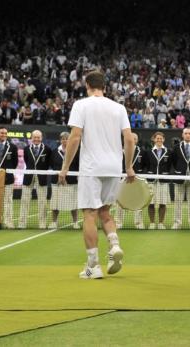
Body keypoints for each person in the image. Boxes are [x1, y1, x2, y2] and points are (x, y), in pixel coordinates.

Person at [59, 70, 135, 280]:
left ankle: (93, 266)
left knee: (90, 214)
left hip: (91, 168)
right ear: (104, 86)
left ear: (87, 86)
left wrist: (65, 168)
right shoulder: (118, 108)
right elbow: (129, 140)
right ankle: (114, 246)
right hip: (113, 167)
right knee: (105, 213)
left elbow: (74, 138)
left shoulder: (80, 105)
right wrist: (128, 167)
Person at [18, 130, 51, 229]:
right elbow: (27, 161)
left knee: (42, 202)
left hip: (42, 178)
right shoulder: (26, 149)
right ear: (31, 138)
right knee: (24, 200)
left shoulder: (47, 149)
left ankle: (42, 224)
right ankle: (22, 223)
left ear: (41, 138)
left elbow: (48, 163)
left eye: (38, 137)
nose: (36, 139)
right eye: (34, 137)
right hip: (28, 177)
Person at [115, 133, 146, 229]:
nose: (133, 140)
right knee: (119, 202)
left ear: (136, 140)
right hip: (122, 180)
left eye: (135, 138)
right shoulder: (118, 151)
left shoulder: (142, 152)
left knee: (138, 201)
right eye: (131, 138)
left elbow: (145, 165)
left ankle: (139, 223)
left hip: (136, 180)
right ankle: (118, 223)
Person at [49, 132, 80, 229]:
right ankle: (54, 222)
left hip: (72, 181)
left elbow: (78, 165)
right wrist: (60, 176)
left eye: (67, 138)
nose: (65, 140)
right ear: (60, 140)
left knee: (73, 204)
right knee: (55, 204)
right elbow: (52, 165)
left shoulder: (76, 151)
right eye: (63, 139)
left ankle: (75, 222)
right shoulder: (54, 152)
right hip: (57, 182)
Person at [145, 132, 171, 230]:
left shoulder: (168, 152)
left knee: (162, 203)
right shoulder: (149, 152)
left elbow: (169, 165)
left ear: (163, 140)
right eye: (157, 138)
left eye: (161, 138)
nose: (159, 140)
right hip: (151, 181)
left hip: (163, 181)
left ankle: (161, 223)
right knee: (151, 203)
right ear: (154, 139)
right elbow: (146, 165)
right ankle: (152, 223)